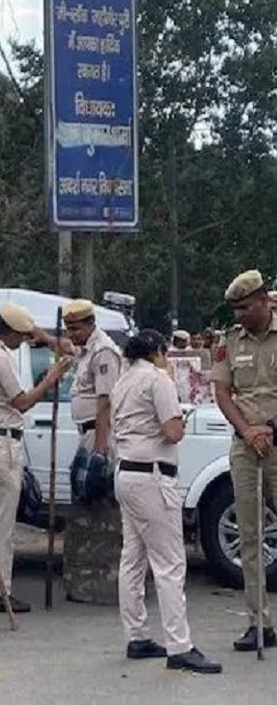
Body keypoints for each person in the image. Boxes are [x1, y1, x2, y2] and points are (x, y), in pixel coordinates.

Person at [112, 329, 221, 674]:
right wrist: (180, 419)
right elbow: (173, 432)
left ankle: (137, 635)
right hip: (153, 476)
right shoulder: (157, 380)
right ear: (158, 351)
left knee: (133, 558)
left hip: (127, 473)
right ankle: (180, 645)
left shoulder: (122, 382)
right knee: (170, 563)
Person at [0, 304, 68, 614]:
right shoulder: (2, 359)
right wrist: (49, 380)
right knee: (2, 526)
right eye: (22, 336)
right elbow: (22, 402)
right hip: (2, 443)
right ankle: (0, 591)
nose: (23, 341)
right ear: (10, 332)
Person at [211, 269, 277, 652]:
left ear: (264, 301)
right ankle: (259, 622)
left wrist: (269, 427)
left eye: (246, 307)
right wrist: (247, 430)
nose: (239, 315)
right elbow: (222, 392)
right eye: (235, 309)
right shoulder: (230, 341)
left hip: (275, 437)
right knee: (250, 535)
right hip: (246, 444)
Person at [64, 298, 125, 605]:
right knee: (86, 506)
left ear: (89, 324)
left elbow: (105, 403)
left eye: (75, 328)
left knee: (102, 507)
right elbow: (66, 350)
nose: (71, 334)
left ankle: (107, 581)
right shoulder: (87, 348)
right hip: (87, 432)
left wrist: (100, 451)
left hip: (98, 434)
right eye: (68, 329)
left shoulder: (103, 352)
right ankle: (87, 580)